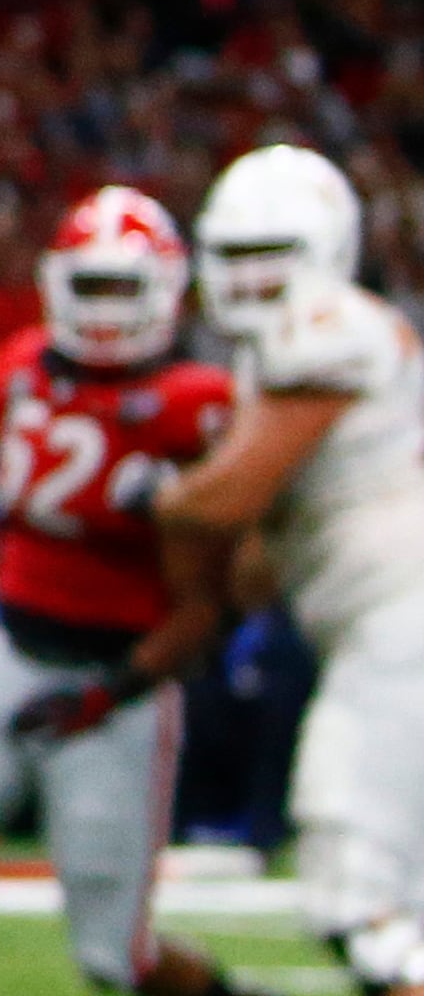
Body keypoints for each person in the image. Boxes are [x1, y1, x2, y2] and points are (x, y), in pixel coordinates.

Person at [0, 186, 239, 996]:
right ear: (56, 282)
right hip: (11, 660)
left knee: (113, 959)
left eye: (121, 289)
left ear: (166, 290)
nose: (102, 309)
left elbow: (210, 604)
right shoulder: (14, 370)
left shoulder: (197, 405)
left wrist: (111, 691)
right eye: (89, 286)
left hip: (119, 684)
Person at [153, 146, 424, 993]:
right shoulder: (279, 355)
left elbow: (227, 497)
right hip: (378, 633)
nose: (249, 279)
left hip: (400, 633)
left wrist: (133, 495)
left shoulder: (328, 326)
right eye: (233, 256)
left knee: (358, 897)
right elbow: (257, 568)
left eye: (270, 255)